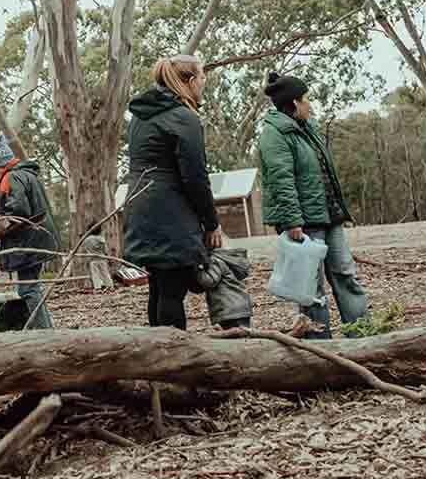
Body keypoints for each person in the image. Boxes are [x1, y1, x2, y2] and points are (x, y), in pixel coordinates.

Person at [256, 72, 367, 340]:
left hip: (329, 217)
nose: (310, 105)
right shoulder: (275, 135)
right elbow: (281, 180)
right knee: (311, 288)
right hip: (304, 224)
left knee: (346, 275)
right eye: (306, 100)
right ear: (294, 103)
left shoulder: (308, 128)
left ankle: (363, 334)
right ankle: (321, 346)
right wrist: (292, 221)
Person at [123, 55, 230, 332]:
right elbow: (195, 177)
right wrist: (211, 222)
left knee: (160, 286)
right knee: (172, 291)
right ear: (191, 81)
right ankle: (174, 358)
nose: (204, 83)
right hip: (169, 211)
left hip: (140, 204)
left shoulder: (139, 116)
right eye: (203, 77)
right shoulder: (183, 118)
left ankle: (156, 358)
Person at [0, 133, 58, 330]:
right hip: (36, 240)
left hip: (27, 242)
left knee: (28, 289)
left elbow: (17, 211)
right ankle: (46, 328)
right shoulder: (26, 175)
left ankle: (45, 332)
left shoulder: (11, 177)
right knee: (31, 287)